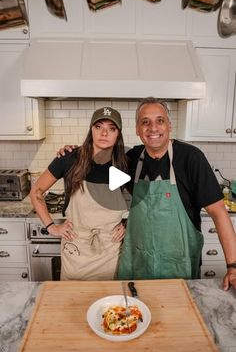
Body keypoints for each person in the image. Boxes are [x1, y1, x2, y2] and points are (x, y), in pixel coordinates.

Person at [56, 97, 236, 290]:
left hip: (178, 266)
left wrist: (233, 267)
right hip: (137, 265)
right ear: (137, 129)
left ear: (169, 125)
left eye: (160, 121)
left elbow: (219, 213)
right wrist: (73, 154)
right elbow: (99, 178)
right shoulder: (130, 160)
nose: (153, 128)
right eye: (145, 122)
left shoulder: (191, 158)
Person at [30, 107, 128, 281]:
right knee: (73, 299)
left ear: (118, 134)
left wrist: (128, 224)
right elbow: (36, 191)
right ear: (91, 130)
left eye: (111, 129)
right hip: (76, 245)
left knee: (107, 301)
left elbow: (144, 199)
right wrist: (51, 226)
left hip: (109, 248)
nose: (104, 133)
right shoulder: (69, 158)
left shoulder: (124, 162)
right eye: (98, 127)